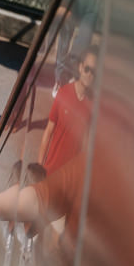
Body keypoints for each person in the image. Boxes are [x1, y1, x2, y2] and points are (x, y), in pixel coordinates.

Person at [37, 46, 97, 175]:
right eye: (87, 69)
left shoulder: (92, 104)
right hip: (49, 172)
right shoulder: (63, 93)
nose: (90, 75)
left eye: (94, 72)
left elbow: (86, 144)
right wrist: (39, 167)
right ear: (80, 67)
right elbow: (48, 132)